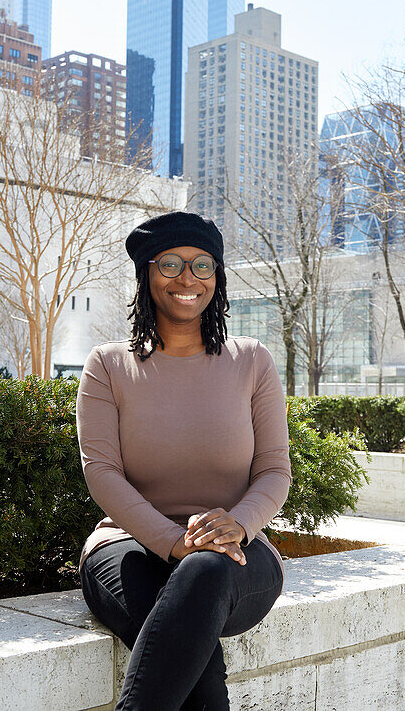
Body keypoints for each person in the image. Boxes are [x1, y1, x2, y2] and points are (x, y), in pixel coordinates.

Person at [76, 211, 292, 710]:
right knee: (196, 661)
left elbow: (274, 471)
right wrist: (175, 542)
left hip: (237, 553)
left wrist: (236, 526)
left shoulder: (252, 360)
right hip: (127, 547)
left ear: (216, 277)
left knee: (205, 573)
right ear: (146, 274)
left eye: (202, 265)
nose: (187, 278)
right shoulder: (108, 365)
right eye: (169, 263)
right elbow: (102, 473)